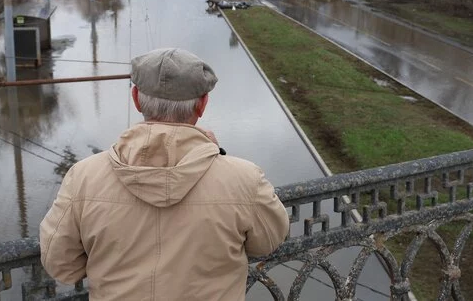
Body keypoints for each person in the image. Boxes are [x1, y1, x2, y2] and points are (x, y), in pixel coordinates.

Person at [40, 48, 290, 301]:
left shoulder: (83, 177)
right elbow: (268, 242)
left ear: (136, 98)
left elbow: (62, 266)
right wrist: (219, 158)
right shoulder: (244, 179)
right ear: (203, 104)